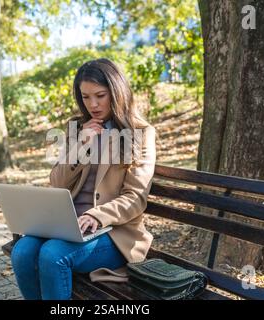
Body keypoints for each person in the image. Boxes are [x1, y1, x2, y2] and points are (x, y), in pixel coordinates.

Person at [11, 58, 156, 300]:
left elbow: (135, 198)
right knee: (22, 251)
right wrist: (80, 145)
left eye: (100, 95)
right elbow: (57, 182)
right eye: (86, 97)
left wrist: (95, 215)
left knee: (52, 255)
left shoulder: (139, 133)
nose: (93, 104)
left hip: (113, 232)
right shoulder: (77, 128)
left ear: (116, 92)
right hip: (67, 225)